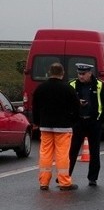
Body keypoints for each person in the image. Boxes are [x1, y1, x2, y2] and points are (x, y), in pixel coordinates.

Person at [31, 62, 80, 191]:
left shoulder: (41, 88)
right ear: (62, 74)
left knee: (45, 154)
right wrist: (73, 121)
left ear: (49, 72)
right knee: (62, 154)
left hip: (45, 125)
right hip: (63, 127)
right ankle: (64, 182)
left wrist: (37, 122)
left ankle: (44, 182)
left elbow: (35, 107)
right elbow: (76, 108)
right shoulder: (68, 88)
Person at [68, 62, 104, 187]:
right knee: (72, 151)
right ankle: (66, 175)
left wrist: (101, 120)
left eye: (83, 74)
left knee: (94, 152)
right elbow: (66, 103)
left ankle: (92, 178)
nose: (81, 76)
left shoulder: (99, 85)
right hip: (78, 122)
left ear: (90, 73)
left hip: (93, 123)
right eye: (79, 74)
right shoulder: (72, 85)